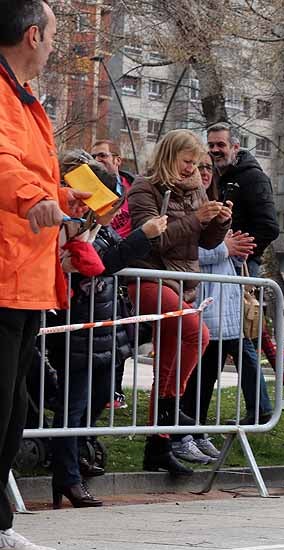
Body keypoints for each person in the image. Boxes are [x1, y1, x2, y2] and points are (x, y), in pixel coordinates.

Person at [0, 0, 95, 550]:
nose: (57, 44)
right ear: (33, 34)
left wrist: (62, 197)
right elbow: (4, 164)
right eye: (56, 34)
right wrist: (35, 197)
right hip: (5, 276)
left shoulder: (25, 98)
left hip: (28, 277)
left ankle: (0, 528)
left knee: (13, 413)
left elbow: (30, 174)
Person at [46, 152, 166, 508]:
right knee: (73, 406)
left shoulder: (104, 227)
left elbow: (113, 257)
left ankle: (77, 458)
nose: (112, 209)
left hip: (104, 332)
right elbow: (102, 264)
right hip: (76, 330)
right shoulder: (72, 226)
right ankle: (67, 475)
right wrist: (142, 236)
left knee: (97, 400)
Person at [127, 129, 231, 476]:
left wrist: (219, 222)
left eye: (197, 163)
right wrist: (195, 220)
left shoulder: (198, 189)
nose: (192, 169)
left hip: (182, 279)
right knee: (195, 333)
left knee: (168, 365)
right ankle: (171, 408)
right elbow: (151, 241)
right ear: (170, 156)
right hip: (148, 277)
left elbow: (202, 239)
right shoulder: (144, 187)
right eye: (188, 162)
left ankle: (157, 446)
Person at [177, 155, 258, 465]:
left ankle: (197, 429)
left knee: (208, 374)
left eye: (209, 168)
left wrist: (237, 253)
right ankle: (179, 433)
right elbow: (183, 249)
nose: (204, 173)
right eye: (198, 166)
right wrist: (226, 249)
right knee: (191, 374)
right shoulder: (183, 204)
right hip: (197, 301)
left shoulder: (216, 203)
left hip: (221, 302)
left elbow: (221, 253)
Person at [206, 124, 276, 424]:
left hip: (239, 266)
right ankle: (194, 409)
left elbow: (269, 226)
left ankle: (260, 408)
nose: (215, 150)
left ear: (235, 146)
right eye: (211, 144)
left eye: (220, 144)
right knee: (217, 338)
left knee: (236, 336)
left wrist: (245, 250)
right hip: (219, 262)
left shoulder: (253, 178)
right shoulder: (216, 176)